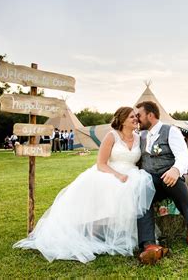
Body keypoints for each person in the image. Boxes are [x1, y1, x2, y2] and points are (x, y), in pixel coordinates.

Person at [13, 107, 155, 263]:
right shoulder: (112, 136)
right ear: (122, 120)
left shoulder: (139, 137)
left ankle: (130, 235)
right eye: (131, 117)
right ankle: (94, 233)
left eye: (136, 116)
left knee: (137, 189)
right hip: (110, 171)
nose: (135, 119)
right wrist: (118, 175)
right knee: (114, 190)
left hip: (133, 173)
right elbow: (101, 163)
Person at [135, 101, 188, 265]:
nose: (137, 119)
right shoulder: (141, 136)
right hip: (155, 180)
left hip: (180, 175)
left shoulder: (171, 131)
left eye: (139, 115)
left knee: (169, 180)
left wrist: (176, 169)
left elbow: (184, 157)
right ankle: (149, 244)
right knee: (142, 192)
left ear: (150, 115)